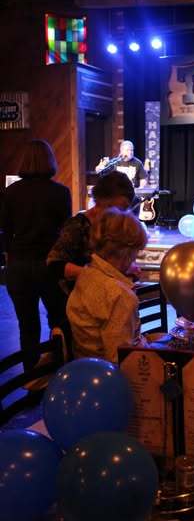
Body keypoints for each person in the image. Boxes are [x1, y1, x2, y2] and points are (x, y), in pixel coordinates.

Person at [0, 139, 71, 370]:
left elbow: (5, 231)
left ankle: (31, 379)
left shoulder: (11, 192)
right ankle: (59, 373)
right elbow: (66, 234)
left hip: (18, 266)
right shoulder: (60, 192)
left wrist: (9, 257)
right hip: (50, 265)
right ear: (50, 161)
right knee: (58, 321)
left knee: (27, 326)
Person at [66, 208, 147, 362]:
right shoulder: (120, 295)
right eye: (136, 251)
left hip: (83, 363)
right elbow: (120, 361)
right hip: (107, 373)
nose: (135, 257)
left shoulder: (87, 273)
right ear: (127, 252)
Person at [47, 170, 136, 291]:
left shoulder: (116, 224)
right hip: (80, 295)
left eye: (124, 209)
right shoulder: (78, 225)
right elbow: (54, 264)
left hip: (107, 291)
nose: (121, 214)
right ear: (102, 200)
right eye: (117, 208)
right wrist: (93, 275)